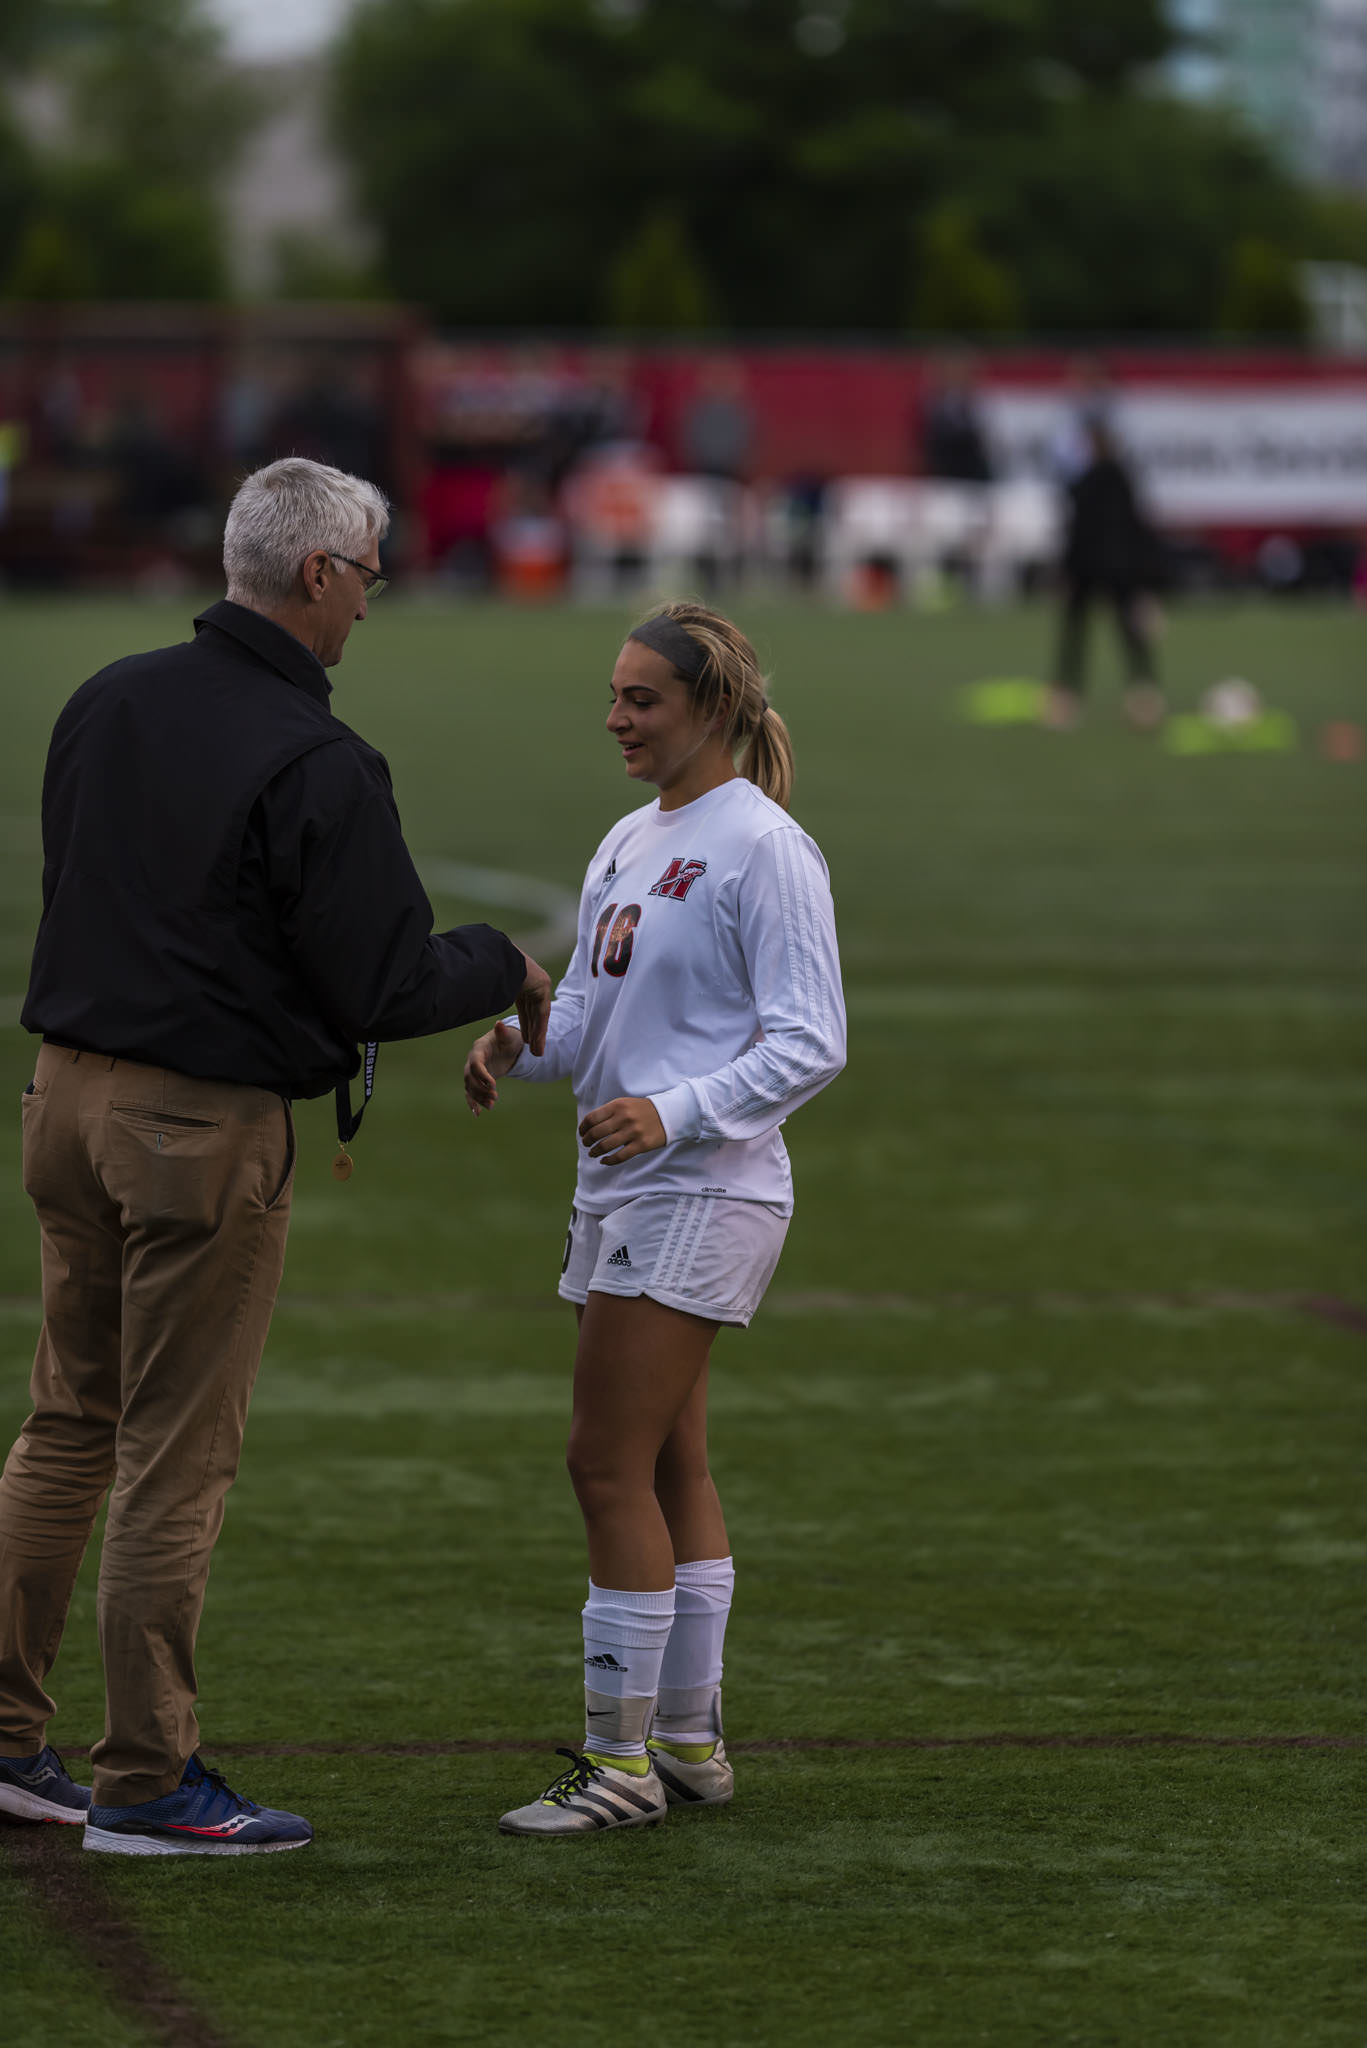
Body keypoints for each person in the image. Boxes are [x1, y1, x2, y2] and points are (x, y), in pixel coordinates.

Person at [0, 456, 551, 1857]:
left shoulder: (105, 697)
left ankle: (4, 1740)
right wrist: (502, 963)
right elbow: (380, 983)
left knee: (65, 1427)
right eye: (367, 573)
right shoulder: (318, 759)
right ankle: (146, 1781)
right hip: (196, 1130)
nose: (370, 603)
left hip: (61, 1097)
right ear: (316, 575)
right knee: (174, 1460)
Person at [463, 600, 845, 1836]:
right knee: (669, 1458)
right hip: (630, 1185)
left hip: (704, 1186)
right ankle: (684, 1745)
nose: (615, 717)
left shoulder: (763, 846)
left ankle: (616, 1764)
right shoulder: (629, 836)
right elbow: (581, 1025)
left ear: (712, 710)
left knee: (601, 1460)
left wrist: (672, 1111)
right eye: (614, 694)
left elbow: (810, 1039)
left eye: (643, 699)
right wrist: (512, 1044)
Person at [1046, 422, 1165, 732]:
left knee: (1077, 634)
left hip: (1091, 568)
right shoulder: (1122, 480)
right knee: (1129, 635)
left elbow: (1078, 532)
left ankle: (1066, 697)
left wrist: (1066, 570)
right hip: (1119, 570)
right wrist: (1145, 578)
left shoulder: (1087, 482)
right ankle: (1144, 695)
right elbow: (1138, 529)